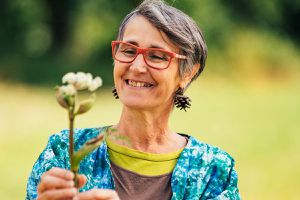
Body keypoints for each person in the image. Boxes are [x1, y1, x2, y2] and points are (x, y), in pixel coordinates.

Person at [26, 0, 241, 199]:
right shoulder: (65, 151)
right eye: (128, 51)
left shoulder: (213, 171)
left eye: (156, 56)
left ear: (187, 74)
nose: (137, 67)